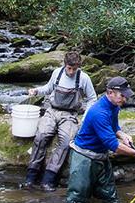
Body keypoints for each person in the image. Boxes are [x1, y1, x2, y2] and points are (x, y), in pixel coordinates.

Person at [66, 77, 135, 203]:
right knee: (76, 200)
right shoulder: (99, 112)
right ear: (110, 92)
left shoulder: (114, 106)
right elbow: (113, 145)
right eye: (122, 95)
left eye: (126, 96)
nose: (124, 99)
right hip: (84, 158)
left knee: (110, 197)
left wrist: (122, 135)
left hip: (101, 156)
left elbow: (113, 127)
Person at [23, 52, 98, 192]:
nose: (71, 72)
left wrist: (86, 117)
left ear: (78, 67)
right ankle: (30, 177)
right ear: (64, 64)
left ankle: (49, 178)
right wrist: (36, 91)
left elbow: (92, 99)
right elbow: (48, 88)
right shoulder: (57, 73)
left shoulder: (83, 78)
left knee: (66, 141)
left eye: (74, 69)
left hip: (69, 115)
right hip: (51, 111)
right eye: (69, 68)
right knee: (41, 136)